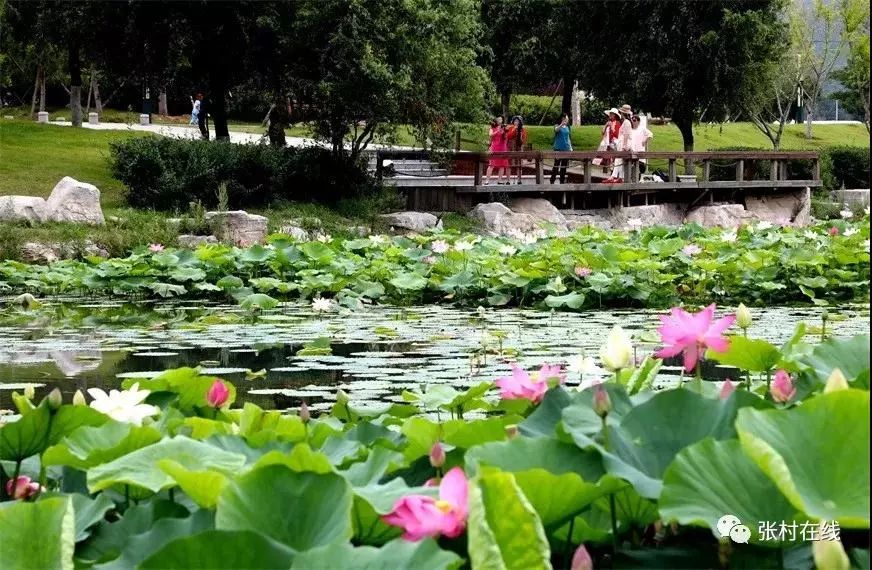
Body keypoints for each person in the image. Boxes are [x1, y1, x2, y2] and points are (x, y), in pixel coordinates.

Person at [606, 104, 633, 182]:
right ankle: (620, 177)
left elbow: (626, 135)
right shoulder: (625, 122)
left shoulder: (627, 122)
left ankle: (614, 176)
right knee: (619, 160)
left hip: (624, 143)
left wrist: (624, 146)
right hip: (622, 143)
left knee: (618, 159)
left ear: (622, 113)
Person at [484, 116, 509, 185]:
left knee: (502, 164)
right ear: (495, 120)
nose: (500, 120)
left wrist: (505, 131)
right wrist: (498, 130)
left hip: (503, 147)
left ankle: (499, 180)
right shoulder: (492, 128)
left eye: (501, 119)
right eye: (498, 119)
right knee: (491, 164)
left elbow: (506, 138)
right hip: (495, 147)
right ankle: (487, 180)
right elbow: (490, 135)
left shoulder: (503, 128)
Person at [505, 115, 528, 184]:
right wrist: (514, 129)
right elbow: (508, 136)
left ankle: (519, 180)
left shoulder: (523, 129)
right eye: (515, 121)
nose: (516, 122)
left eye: (518, 121)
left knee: (519, 164)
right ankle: (508, 180)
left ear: (520, 122)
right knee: (509, 164)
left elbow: (523, 140)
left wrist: (520, 134)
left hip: (519, 148)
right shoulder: (510, 128)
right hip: (510, 148)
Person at [550, 113, 572, 184]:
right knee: (556, 165)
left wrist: (570, 147)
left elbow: (568, 137)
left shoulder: (568, 127)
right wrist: (561, 124)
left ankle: (562, 181)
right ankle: (552, 180)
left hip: (566, 149)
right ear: (562, 118)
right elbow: (556, 130)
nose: (567, 119)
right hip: (558, 149)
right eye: (566, 117)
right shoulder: (557, 125)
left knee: (564, 166)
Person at [630, 114, 653, 178]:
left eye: (634, 120)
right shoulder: (630, 129)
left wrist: (645, 141)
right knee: (631, 167)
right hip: (632, 151)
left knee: (640, 167)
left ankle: (638, 179)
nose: (633, 121)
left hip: (639, 151)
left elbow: (650, 134)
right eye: (632, 120)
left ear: (638, 121)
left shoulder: (642, 128)